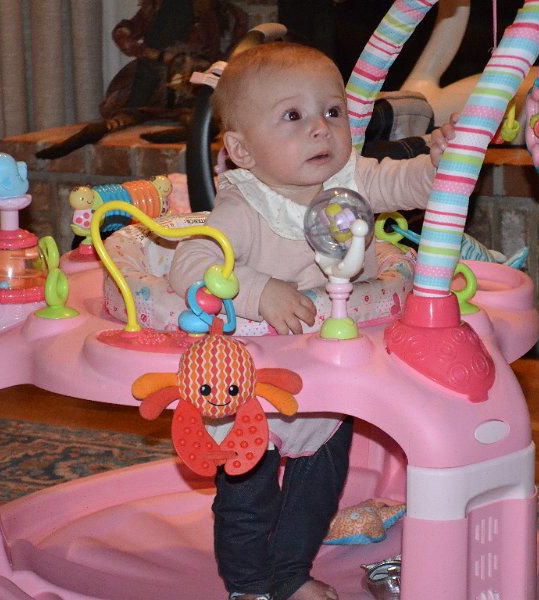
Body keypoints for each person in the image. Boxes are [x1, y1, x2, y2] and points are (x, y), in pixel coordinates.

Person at [168, 42, 455, 600]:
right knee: (248, 500)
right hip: (253, 389)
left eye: (332, 111)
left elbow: (408, 184)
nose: (321, 129)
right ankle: (249, 586)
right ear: (242, 150)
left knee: (316, 494)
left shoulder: (352, 178)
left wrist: (442, 163)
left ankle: (291, 573)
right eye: (294, 116)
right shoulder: (244, 207)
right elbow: (190, 263)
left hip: (331, 382)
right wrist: (258, 290)